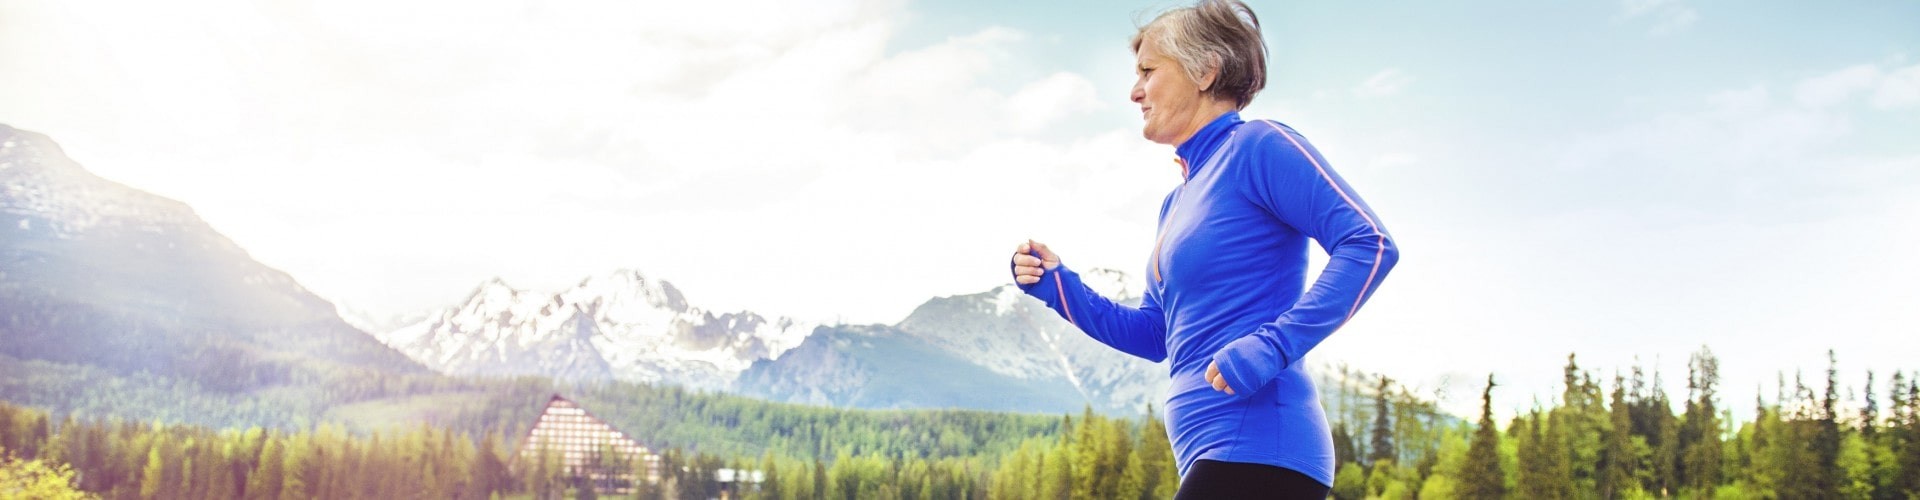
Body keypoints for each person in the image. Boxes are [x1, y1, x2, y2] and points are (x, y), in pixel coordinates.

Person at [1008, 1, 1400, 498]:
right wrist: (1060, 289)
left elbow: (1369, 244)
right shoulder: (1176, 202)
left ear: (1205, 70)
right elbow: (1157, 335)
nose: (1134, 92)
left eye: (1148, 70)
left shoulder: (1259, 146)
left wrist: (1273, 346)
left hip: (1263, 448)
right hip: (1209, 451)